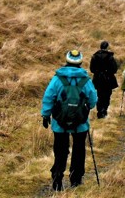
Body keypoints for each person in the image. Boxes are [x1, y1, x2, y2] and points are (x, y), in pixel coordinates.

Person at [41, 50, 98, 191]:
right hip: (81, 124)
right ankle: (76, 180)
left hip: (59, 123)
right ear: (80, 62)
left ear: (66, 61)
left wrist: (45, 115)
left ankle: (57, 179)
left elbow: (48, 97)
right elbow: (93, 100)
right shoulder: (86, 80)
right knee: (79, 151)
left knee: (60, 151)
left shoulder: (57, 79)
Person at [89, 41, 118, 119]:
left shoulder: (94, 56)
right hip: (108, 80)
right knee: (107, 96)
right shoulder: (110, 57)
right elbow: (114, 69)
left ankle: (100, 111)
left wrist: (98, 72)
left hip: (98, 79)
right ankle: (104, 110)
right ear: (107, 47)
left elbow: (92, 69)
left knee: (99, 95)